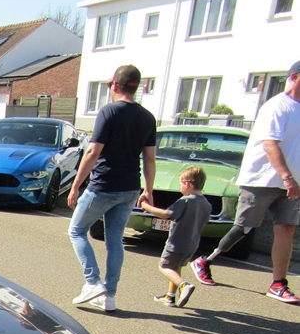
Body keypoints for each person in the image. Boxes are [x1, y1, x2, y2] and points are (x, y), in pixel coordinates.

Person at [191, 60, 300, 304]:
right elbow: (270, 144)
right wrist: (286, 176)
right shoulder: (277, 106)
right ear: (295, 77)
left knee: (286, 229)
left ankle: (278, 284)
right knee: (244, 228)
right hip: (261, 179)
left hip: (292, 184)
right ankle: (204, 261)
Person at [67, 64, 157, 313]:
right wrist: (148, 190)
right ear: (137, 87)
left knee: (76, 231)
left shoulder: (109, 112)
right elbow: (150, 159)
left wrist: (75, 185)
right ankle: (109, 296)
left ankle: (92, 282)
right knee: (115, 241)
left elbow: (92, 152)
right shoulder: (147, 117)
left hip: (104, 185)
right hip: (130, 188)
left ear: (115, 85)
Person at [140, 166, 211, 307]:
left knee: (164, 267)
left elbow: (165, 214)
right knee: (176, 267)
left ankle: (184, 285)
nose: (180, 188)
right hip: (192, 244)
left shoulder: (185, 201)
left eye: (180, 184)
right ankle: (170, 296)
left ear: (187, 184)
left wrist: (146, 206)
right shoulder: (206, 204)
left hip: (176, 242)